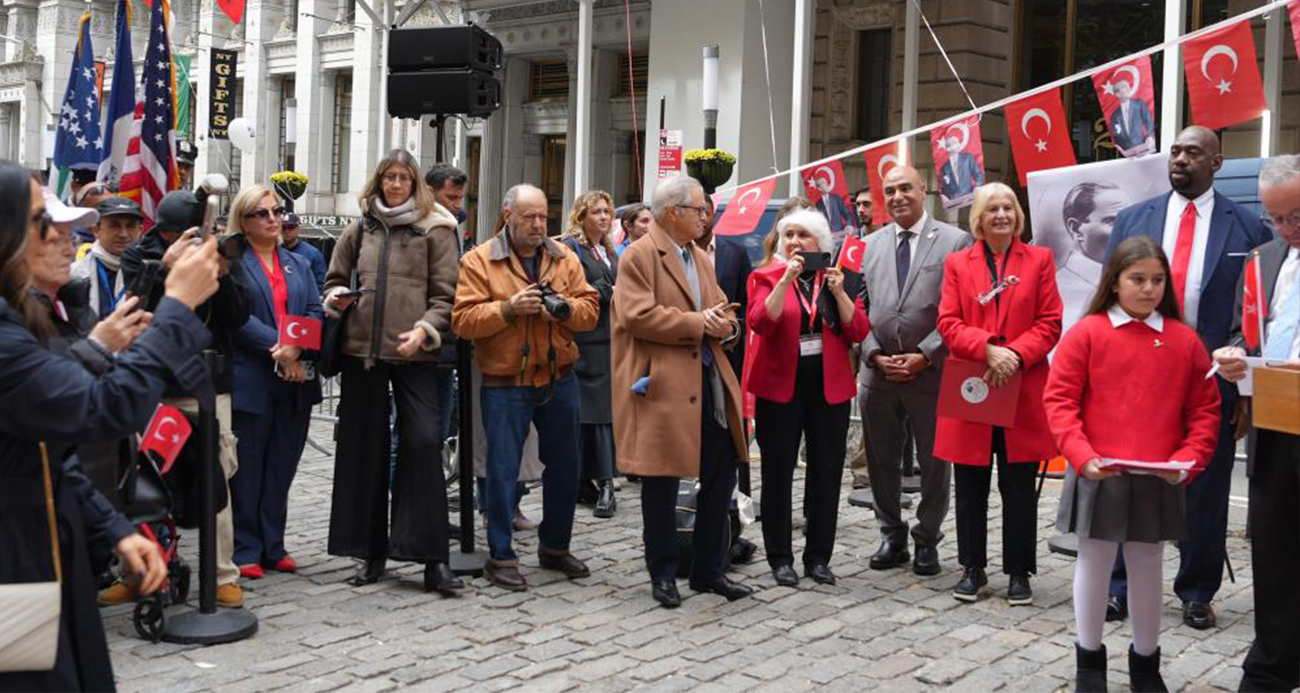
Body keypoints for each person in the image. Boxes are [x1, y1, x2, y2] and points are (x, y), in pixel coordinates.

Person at [0, 160, 217, 692]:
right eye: (41, 223)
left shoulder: (21, 319)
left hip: (45, 558)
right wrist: (178, 305)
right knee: (32, 680)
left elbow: (51, 457)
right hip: (14, 570)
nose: (62, 236)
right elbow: (104, 408)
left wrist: (116, 529)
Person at [1102, 126, 1271, 630]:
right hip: (1139, 373)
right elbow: (1109, 298)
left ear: (1216, 163)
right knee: (1131, 482)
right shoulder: (1134, 219)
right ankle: (1119, 587)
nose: (1179, 159)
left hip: (1211, 378)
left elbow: (1256, 314)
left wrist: (1244, 381)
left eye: (1192, 152)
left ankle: (1197, 591)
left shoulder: (1248, 228)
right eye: (1175, 151)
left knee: (1206, 488)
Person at [1045, 236, 1220, 692]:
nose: (1148, 289)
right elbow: (1060, 400)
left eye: (1157, 280)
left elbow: (1205, 410)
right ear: (1114, 282)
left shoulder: (1184, 340)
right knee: (1094, 562)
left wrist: (1185, 461)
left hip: (1158, 475)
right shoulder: (1087, 332)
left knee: (1147, 564)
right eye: (1137, 279)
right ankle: (1089, 663)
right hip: (1098, 471)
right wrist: (1081, 455)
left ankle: (1146, 664)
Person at [322, 149, 463, 595]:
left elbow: (447, 296)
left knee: (422, 443)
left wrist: (425, 329)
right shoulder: (360, 226)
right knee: (364, 450)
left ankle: (432, 558)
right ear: (379, 181)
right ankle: (370, 552)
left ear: (415, 183)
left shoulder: (436, 228)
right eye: (389, 177)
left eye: (403, 177)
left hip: (415, 353)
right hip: (362, 353)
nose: (396, 184)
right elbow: (333, 280)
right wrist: (337, 298)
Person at [612, 175, 753, 608]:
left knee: (720, 473)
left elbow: (722, 308)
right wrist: (699, 324)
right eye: (699, 210)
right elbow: (637, 316)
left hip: (709, 382)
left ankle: (710, 570)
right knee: (661, 481)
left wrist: (728, 328)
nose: (706, 217)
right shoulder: (639, 256)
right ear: (673, 212)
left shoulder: (698, 256)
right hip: (664, 384)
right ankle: (663, 573)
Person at [451, 183, 599, 591]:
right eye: (529, 217)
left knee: (566, 466)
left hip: (559, 375)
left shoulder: (563, 255)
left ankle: (555, 546)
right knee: (502, 471)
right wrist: (508, 308)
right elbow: (462, 321)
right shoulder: (479, 260)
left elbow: (590, 309)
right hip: (505, 381)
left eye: (543, 217)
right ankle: (501, 555)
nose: (538, 225)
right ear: (507, 216)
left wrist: (563, 311)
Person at [109, 189, 252, 609]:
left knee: (216, 477)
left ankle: (221, 574)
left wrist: (219, 273)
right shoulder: (141, 255)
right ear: (165, 233)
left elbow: (239, 316)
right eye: (178, 235)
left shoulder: (219, 253)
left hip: (208, 384)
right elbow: (133, 309)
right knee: (139, 479)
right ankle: (133, 572)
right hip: (153, 384)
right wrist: (165, 271)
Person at [934, 183, 1063, 605]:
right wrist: (987, 348)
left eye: (1008, 207)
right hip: (974, 386)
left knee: (1018, 486)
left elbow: (1050, 322)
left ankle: (1019, 571)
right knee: (970, 484)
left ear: (1018, 215)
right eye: (993, 209)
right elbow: (948, 322)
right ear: (979, 218)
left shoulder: (1039, 259)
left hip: (1020, 386)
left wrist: (1014, 355)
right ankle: (972, 567)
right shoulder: (958, 263)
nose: (1002, 215)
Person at [1211, 154, 1300, 693]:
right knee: (1275, 549)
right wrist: (1235, 354)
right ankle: (1272, 665)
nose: (1287, 229)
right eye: (1276, 218)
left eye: (1297, 216)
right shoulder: (1264, 258)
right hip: (1274, 424)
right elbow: (1247, 331)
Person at [856, 164, 972, 577]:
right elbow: (857, 307)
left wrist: (926, 353)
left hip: (931, 372)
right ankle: (891, 534)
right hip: (879, 373)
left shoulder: (955, 241)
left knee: (935, 462)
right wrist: (873, 353)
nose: (898, 196)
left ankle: (927, 539)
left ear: (924, 189)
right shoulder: (868, 245)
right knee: (880, 460)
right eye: (890, 191)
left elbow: (962, 307)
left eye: (906, 187)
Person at [747, 209, 868, 587]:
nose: (795, 242)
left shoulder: (839, 278)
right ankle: (780, 557)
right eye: (789, 235)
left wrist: (839, 292)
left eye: (804, 235)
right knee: (777, 472)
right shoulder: (766, 276)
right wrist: (785, 280)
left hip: (828, 388)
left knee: (826, 473)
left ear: (821, 243)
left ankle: (818, 556)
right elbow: (759, 322)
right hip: (780, 386)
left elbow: (858, 330)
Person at [227, 185, 322, 579]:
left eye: (277, 211)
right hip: (252, 376)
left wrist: (296, 350)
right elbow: (235, 316)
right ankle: (246, 547)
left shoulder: (298, 263)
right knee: (248, 467)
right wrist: (280, 348)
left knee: (282, 464)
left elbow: (315, 309)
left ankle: (273, 544)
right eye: (262, 213)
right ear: (244, 221)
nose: (273, 219)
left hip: (295, 379)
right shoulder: (233, 263)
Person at [561, 190, 620, 518]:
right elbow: (570, 292)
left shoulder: (609, 250)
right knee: (592, 416)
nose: (604, 217)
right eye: (597, 212)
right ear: (582, 215)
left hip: (611, 339)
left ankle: (592, 479)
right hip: (586, 340)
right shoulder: (572, 248)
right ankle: (602, 481)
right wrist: (608, 291)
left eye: (607, 212)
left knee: (603, 413)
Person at [1057, 182, 1128, 337]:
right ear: (1076, 228)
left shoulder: (1138, 282)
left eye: (1129, 220)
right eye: (1113, 221)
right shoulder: (1056, 291)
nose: (1127, 230)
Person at [70, 197, 144, 321]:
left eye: (130, 226)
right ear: (96, 230)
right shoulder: (74, 274)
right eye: (114, 226)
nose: (123, 234)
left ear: (140, 231)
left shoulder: (152, 273)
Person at [280, 213, 326, 290]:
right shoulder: (273, 252)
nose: (287, 231)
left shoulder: (313, 253)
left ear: (298, 228)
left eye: (291, 227)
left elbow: (320, 284)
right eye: (283, 228)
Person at [1108, 80, 1154, 155]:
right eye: (1124, 87)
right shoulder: (1115, 115)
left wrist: (1150, 136)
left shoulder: (1139, 104)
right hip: (1128, 153)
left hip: (1144, 147)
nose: (1128, 89)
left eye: (1128, 87)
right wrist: (1122, 150)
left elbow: (1148, 120)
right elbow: (1117, 135)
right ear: (1118, 94)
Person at [938, 133, 984, 204]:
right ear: (946, 148)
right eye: (948, 145)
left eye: (954, 143)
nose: (952, 146)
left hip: (969, 195)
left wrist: (977, 186)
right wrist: (945, 195)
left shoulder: (967, 158)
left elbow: (978, 174)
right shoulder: (945, 167)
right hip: (953, 200)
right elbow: (944, 188)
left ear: (959, 144)